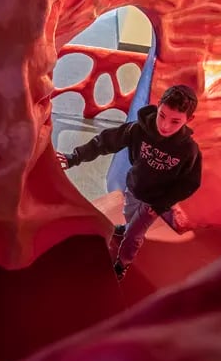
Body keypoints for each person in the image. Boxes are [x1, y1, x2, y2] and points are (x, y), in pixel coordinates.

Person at [57, 84, 202, 280]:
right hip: (134, 188)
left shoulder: (188, 150)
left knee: (134, 235)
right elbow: (106, 141)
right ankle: (126, 227)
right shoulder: (138, 130)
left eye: (175, 121)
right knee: (127, 215)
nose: (165, 126)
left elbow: (189, 182)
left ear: (188, 120)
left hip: (154, 202)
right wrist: (73, 157)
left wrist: (161, 204)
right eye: (162, 115)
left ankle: (122, 264)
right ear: (158, 106)